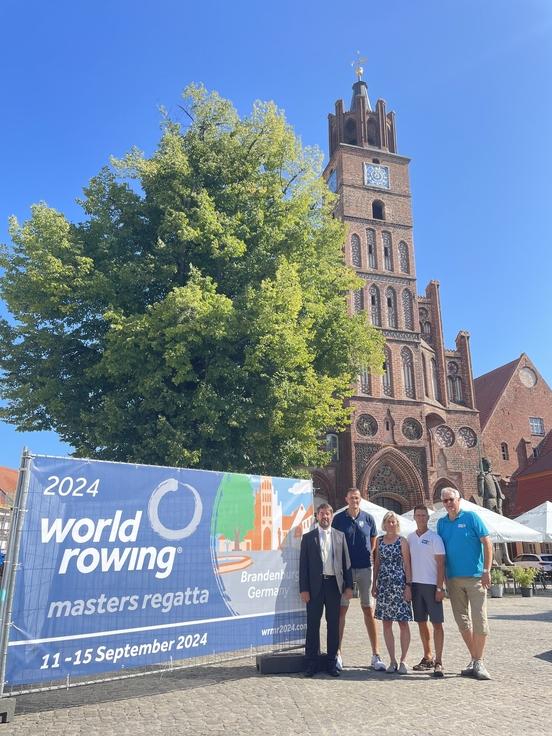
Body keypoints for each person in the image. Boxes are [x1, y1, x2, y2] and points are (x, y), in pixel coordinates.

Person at [437, 487, 493, 681]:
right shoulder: (441, 524)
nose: (448, 504)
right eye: (445, 501)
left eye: (451, 500)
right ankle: (476, 660)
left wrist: (487, 570)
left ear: (458, 499)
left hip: (476, 577)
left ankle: (478, 661)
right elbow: (441, 553)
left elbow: (487, 543)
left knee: (480, 621)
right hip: (453, 579)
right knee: (462, 622)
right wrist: (442, 579)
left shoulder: (471, 517)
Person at [332, 488, 386, 671]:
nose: (354, 500)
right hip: (345, 569)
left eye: (357, 498)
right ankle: (337, 653)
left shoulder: (369, 518)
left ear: (360, 499)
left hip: (364, 568)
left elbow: (373, 542)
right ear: (346, 499)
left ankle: (376, 654)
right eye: (351, 498)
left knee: (368, 609)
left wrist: (367, 557)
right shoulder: (338, 519)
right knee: (341, 610)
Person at [299, 503, 353, 677]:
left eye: (328, 514)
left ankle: (331, 662)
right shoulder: (308, 538)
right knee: (313, 625)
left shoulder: (340, 536)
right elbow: (303, 567)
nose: (325, 517)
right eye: (322, 514)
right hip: (314, 587)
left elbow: (347, 563)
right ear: (317, 516)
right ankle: (311, 663)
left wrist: (349, 586)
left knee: (333, 625)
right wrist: (304, 589)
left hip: (333, 586)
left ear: (331, 516)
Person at [372, 511, 413, 674]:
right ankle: (392, 660)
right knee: (386, 623)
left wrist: (409, 585)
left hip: (399, 585)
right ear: (384, 524)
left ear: (397, 524)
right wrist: (374, 584)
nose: (391, 524)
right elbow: (377, 563)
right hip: (384, 585)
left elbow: (408, 564)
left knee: (403, 622)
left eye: (394, 522)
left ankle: (403, 660)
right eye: (388, 522)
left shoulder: (402, 541)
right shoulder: (379, 540)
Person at [407, 505, 446, 677]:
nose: (421, 518)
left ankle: (439, 661)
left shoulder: (435, 538)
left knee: (437, 623)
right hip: (416, 585)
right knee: (421, 622)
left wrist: (439, 587)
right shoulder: (409, 538)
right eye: (418, 515)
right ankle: (427, 656)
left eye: (424, 515)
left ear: (427, 518)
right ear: (414, 517)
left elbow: (440, 564)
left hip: (431, 586)